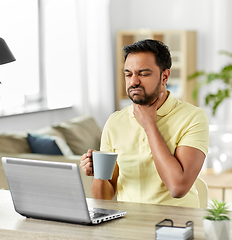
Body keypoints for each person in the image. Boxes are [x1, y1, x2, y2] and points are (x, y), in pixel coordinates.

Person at [79, 39, 209, 208]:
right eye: (128, 74)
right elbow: (104, 198)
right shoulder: (115, 122)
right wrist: (99, 172)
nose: (134, 81)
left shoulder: (193, 118)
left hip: (175, 226)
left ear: (165, 76)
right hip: (128, 225)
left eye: (143, 74)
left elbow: (178, 187)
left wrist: (149, 124)